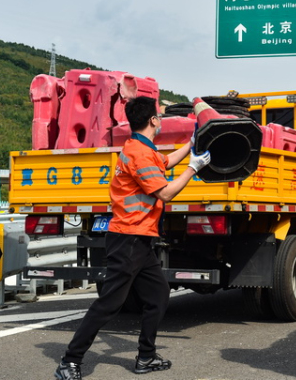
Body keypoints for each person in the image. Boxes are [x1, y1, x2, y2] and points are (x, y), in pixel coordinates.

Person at [55, 96, 211, 380]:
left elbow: (165, 162)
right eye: (159, 116)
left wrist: (192, 144)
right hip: (128, 237)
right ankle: (70, 360)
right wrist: (194, 168)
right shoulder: (139, 154)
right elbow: (165, 193)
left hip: (140, 239)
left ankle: (146, 357)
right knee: (109, 304)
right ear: (153, 120)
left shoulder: (141, 148)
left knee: (159, 295)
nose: (161, 119)